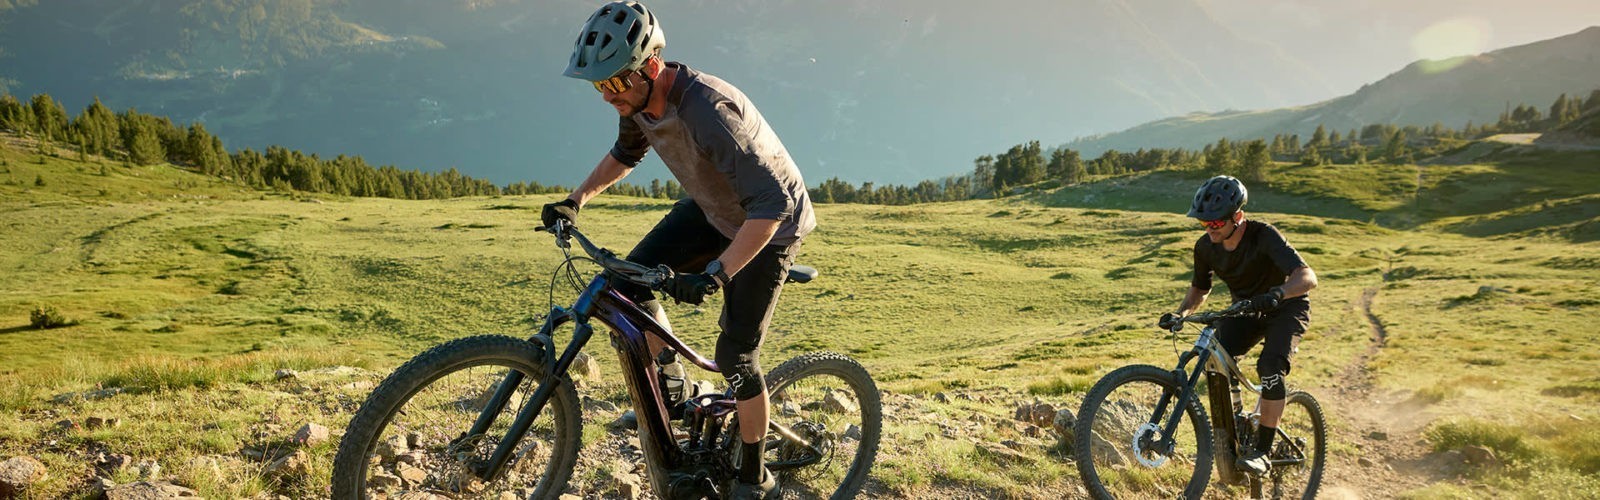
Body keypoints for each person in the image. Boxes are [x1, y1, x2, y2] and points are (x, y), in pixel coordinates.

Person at [544, 1, 815, 497]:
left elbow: (772, 204)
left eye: (614, 82)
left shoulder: (708, 113)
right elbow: (626, 152)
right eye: (598, 85)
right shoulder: (638, 102)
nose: (606, 95)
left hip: (768, 226)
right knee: (625, 285)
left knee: (736, 356)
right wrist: (574, 200)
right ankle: (673, 388)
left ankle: (755, 475)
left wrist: (716, 274)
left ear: (650, 67)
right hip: (714, 209)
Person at [1158, 175, 1318, 475]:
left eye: (1216, 222)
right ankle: (1237, 432)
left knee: (1270, 366)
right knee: (1215, 360)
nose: (1210, 228)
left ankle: (1262, 451)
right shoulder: (1205, 247)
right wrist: (1181, 314)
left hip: (1286, 308)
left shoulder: (1264, 235)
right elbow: (1200, 289)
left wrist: (1278, 293)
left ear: (1238, 217)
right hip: (1246, 311)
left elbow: (1308, 277)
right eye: (1203, 223)